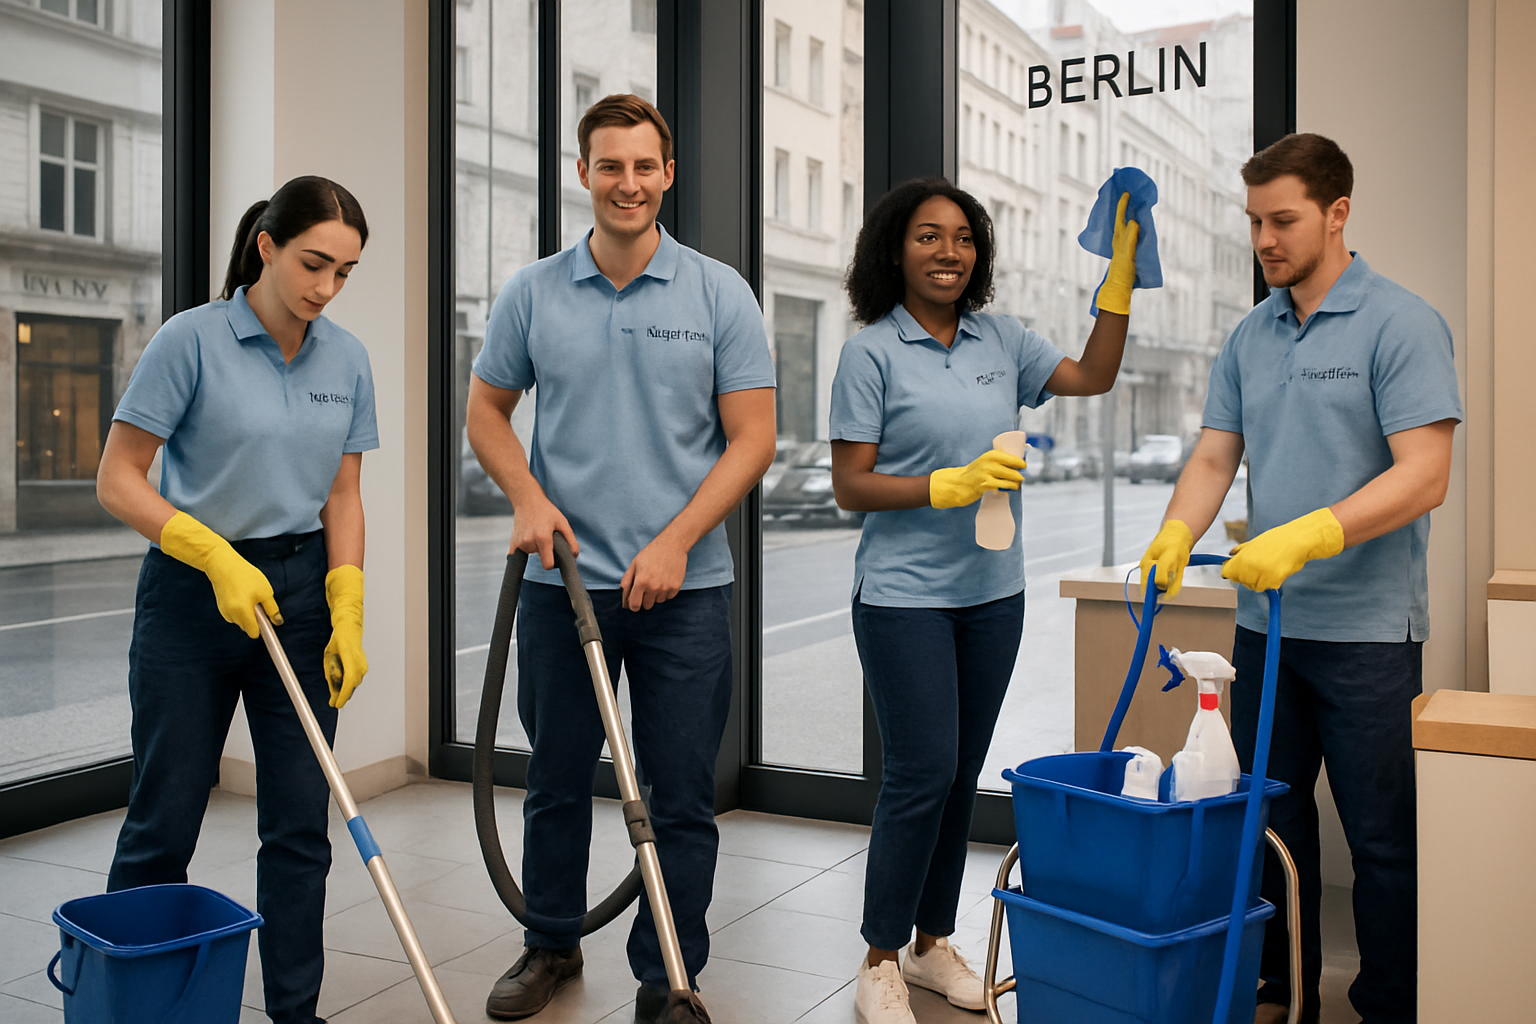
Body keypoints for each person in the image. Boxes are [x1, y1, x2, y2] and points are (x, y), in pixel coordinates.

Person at [465, 93, 776, 1023]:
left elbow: (753, 438)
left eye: (645, 167)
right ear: (584, 173)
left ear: (667, 174)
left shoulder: (720, 292)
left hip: (684, 592)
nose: (628, 183)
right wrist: (527, 496)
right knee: (556, 777)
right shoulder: (534, 292)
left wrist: (677, 542)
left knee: (678, 796)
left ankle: (666, 974)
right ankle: (550, 942)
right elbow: (486, 410)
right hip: (565, 588)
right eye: (610, 166)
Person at [1139, 133, 1461, 1024]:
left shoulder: (1402, 323)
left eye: (1283, 220)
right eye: (1254, 223)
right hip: (1268, 632)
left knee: (1383, 844)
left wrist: (1312, 532)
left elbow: (1423, 473)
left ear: (1338, 213)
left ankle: (1391, 1005)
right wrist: (1174, 532)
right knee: (1269, 830)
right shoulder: (1252, 333)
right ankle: (1284, 993)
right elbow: (1214, 455)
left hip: (1367, 637)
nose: (1266, 240)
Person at [829, 177, 1140, 1024]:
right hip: (902, 598)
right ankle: (880, 956)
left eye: (964, 239)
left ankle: (933, 945)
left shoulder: (1001, 339)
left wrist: (1117, 275)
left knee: (960, 773)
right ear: (896, 249)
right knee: (921, 770)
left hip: (992, 593)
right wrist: (944, 485)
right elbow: (850, 487)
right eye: (929, 237)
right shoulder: (871, 352)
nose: (949, 252)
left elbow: (1095, 374)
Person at [96, 175, 377, 1024]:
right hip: (192, 591)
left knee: (299, 828)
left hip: (300, 595)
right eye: (312, 263)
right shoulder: (192, 340)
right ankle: (137, 1007)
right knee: (164, 818)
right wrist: (209, 552)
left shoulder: (347, 357)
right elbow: (117, 479)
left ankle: (295, 1013)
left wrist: (349, 600)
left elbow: (343, 494)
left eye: (345, 272)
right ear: (266, 245)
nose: (325, 289)